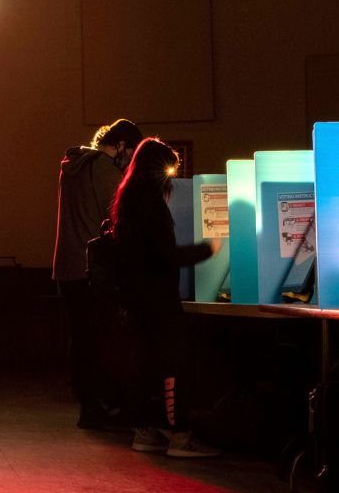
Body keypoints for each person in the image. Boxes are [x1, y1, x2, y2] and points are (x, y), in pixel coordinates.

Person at [109, 137, 221, 457]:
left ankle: (144, 431)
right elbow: (165, 255)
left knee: (145, 364)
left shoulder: (127, 201)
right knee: (175, 365)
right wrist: (209, 248)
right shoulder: (152, 205)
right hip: (158, 298)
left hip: (135, 299)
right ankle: (181, 436)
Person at [52, 119, 143, 429]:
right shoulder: (103, 168)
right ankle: (103, 408)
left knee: (81, 341)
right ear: (120, 146)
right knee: (103, 342)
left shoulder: (72, 167)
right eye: (129, 154)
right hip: (93, 269)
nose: (129, 162)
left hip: (67, 266)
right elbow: (118, 214)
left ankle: (88, 407)